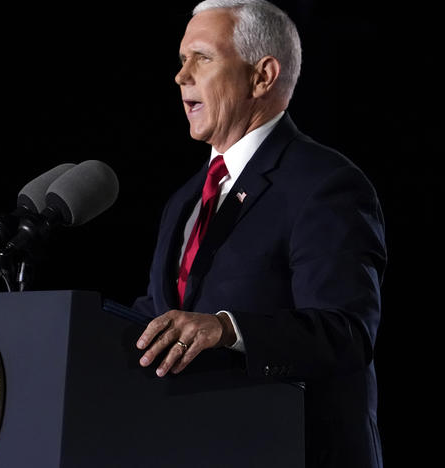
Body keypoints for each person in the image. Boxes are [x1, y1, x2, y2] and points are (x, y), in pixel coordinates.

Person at [131, 1, 386, 467]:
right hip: (193, 447)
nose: (181, 76)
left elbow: (347, 334)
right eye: (181, 59)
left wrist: (228, 329)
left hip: (297, 451)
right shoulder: (184, 201)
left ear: (262, 76)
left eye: (202, 58)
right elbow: (162, 318)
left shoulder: (324, 183)